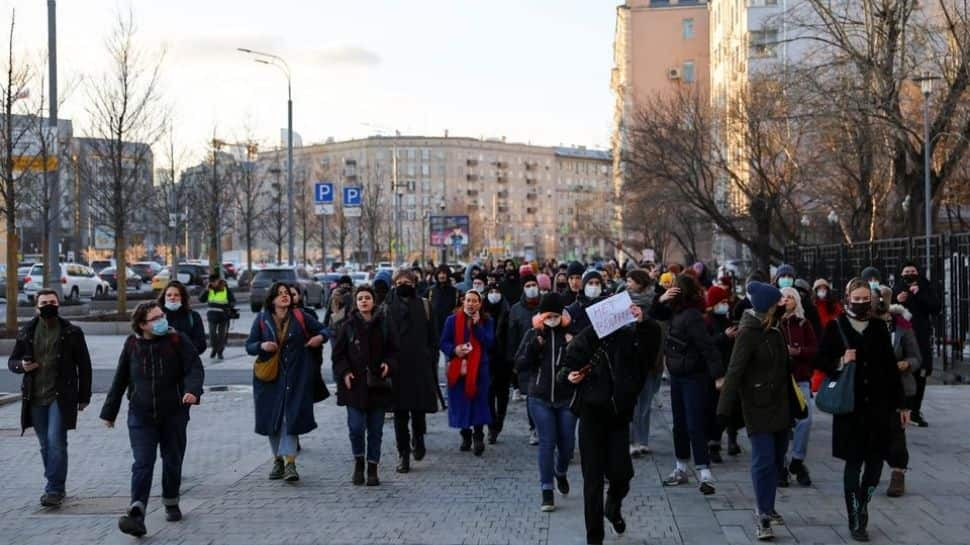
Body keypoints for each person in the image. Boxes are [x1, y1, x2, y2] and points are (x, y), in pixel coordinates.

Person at [815, 278, 908, 542]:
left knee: (875, 467)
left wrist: (902, 405)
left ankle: (864, 502)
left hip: (880, 408)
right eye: (855, 298)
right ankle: (856, 517)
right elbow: (820, 359)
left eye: (865, 298)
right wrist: (840, 360)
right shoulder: (836, 327)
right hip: (850, 409)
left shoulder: (879, 327)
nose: (860, 302)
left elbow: (890, 369)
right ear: (847, 298)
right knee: (853, 463)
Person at [561, 302, 662, 545]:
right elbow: (566, 365)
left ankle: (613, 506)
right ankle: (594, 538)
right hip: (591, 416)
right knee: (592, 482)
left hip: (618, 417)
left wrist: (644, 322)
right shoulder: (587, 337)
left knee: (622, 474)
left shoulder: (629, 338)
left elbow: (649, 353)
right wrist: (568, 376)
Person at [100, 301, 204, 537]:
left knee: (172, 459)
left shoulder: (177, 341)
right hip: (140, 414)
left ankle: (171, 500)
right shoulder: (132, 345)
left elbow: (194, 368)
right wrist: (109, 412)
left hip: (174, 412)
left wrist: (192, 391)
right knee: (143, 462)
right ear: (142, 325)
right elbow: (120, 379)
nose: (161, 321)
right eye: (155, 319)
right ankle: (137, 510)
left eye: (162, 316)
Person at [716, 282, 793, 541]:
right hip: (757, 405)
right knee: (763, 459)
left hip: (781, 405)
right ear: (767, 307)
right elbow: (735, 371)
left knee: (777, 458)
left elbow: (785, 371)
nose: (783, 306)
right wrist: (723, 411)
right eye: (778, 303)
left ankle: (769, 507)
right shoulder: (748, 332)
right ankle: (762, 515)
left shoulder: (775, 330)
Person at [7, 289, 92, 508]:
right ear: (36, 307)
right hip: (34, 395)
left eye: (52, 302)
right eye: (44, 302)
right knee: (45, 444)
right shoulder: (27, 330)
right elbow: (13, 361)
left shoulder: (72, 332)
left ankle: (53, 489)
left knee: (56, 440)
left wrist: (84, 397)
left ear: (58, 304)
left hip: (60, 395)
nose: (48, 305)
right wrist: (22, 366)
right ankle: (56, 484)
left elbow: (84, 366)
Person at [246, 282, 328, 483]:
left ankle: (290, 463)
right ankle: (277, 461)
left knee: (289, 419)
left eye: (286, 294)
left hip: (296, 377)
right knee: (272, 421)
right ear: (272, 299)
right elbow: (250, 346)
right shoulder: (262, 319)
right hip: (269, 379)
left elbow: (325, 330)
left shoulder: (300, 317)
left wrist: (319, 338)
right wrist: (262, 345)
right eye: (279, 294)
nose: (284, 296)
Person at [651, 274, 724, 495]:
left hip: (693, 376)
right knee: (680, 424)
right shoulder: (676, 311)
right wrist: (661, 298)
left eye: (674, 288)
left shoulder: (691, 316)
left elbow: (707, 347)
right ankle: (681, 467)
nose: (670, 290)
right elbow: (654, 313)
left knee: (693, 424)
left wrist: (718, 375)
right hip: (678, 375)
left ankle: (704, 472)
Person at [515, 293, 576, 512]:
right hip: (539, 398)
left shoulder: (570, 334)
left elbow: (583, 362)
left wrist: (573, 346)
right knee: (547, 443)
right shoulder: (533, 334)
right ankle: (547, 490)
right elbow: (519, 364)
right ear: (541, 316)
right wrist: (534, 347)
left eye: (555, 315)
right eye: (547, 315)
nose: (552, 318)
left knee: (568, 444)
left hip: (566, 398)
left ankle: (560, 471)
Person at [333, 286, 398, 485]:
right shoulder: (348, 325)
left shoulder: (384, 324)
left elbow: (394, 350)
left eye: (367, 298)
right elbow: (338, 355)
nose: (363, 301)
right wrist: (344, 372)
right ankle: (359, 461)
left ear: (373, 301)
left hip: (377, 384)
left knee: (376, 430)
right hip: (354, 385)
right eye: (360, 298)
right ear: (355, 302)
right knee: (356, 427)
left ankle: (372, 467)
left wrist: (389, 363)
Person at [382, 269, 438, 473]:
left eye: (407, 281)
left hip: (420, 365)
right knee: (399, 414)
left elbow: (434, 337)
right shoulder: (387, 307)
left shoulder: (424, 305)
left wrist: (430, 359)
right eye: (399, 281)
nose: (403, 284)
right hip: (397, 368)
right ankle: (403, 454)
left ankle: (419, 437)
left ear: (414, 284)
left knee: (418, 410)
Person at [873, 286, 921, 498]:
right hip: (873, 387)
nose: (881, 302)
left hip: (899, 387)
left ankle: (898, 473)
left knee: (896, 431)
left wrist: (905, 364)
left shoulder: (902, 325)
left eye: (884, 298)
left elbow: (916, 357)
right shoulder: (866, 324)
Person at [440, 289, 495, 455]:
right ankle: (465, 434)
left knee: (479, 402)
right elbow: (443, 342)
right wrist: (455, 350)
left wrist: (477, 326)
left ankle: (479, 436)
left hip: (479, 368)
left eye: (474, 301)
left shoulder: (487, 320)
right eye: (468, 300)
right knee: (461, 402)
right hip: (459, 368)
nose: (471, 304)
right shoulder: (452, 320)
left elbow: (489, 342)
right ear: (463, 302)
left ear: (480, 304)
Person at [778, 286, 818, 487]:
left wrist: (798, 351)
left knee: (805, 419)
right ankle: (781, 465)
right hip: (780, 380)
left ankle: (797, 460)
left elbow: (814, 349)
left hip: (801, 379)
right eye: (783, 297)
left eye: (790, 297)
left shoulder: (804, 324)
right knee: (781, 423)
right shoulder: (775, 323)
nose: (786, 301)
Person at [893, 261, 940, 427]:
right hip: (903, 337)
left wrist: (919, 294)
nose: (910, 274)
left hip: (921, 337)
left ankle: (915, 410)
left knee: (921, 372)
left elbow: (936, 307)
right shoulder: (897, 288)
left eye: (913, 271)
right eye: (906, 271)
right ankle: (903, 408)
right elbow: (889, 309)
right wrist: (897, 299)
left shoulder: (925, 287)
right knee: (904, 372)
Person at [626, 269, 663, 456]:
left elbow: (660, 327)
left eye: (631, 281)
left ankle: (643, 440)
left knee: (645, 404)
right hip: (629, 359)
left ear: (640, 283)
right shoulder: (622, 299)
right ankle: (632, 440)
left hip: (650, 359)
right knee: (631, 404)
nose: (628, 284)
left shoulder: (654, 302)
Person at [704, 283, 741, 461]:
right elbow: (706, 345)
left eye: (726, 301)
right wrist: (724, 337)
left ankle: (729, 438)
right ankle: (713, 443)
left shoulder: (726, 320)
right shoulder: (706, 321)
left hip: (728, 368)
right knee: (714, 409)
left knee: (729, 408)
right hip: (712, 372)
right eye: (722, 301)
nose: (725, 305)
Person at [507, 273, 543, 442]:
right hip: (526, 358)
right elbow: (512, 337)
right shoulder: (516, 309)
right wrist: (514, 360)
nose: (531, 289)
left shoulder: (545, 304)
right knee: (530, 395)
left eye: (533, 285)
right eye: (527, 286)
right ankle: (534, 428)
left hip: (544, 356)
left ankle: (544, 427)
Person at [288, 286, 329, 407]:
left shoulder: (307, 314)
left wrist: (319, 338)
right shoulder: (271, 316)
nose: (289, 297)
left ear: (299, 296)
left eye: (293, 294)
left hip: (305, 364)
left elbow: (323, 331)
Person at [483, 282, 512, 443]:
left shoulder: (508, 310)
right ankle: (492, 426)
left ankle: (499, 422)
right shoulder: (482, 311)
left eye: (497, 291)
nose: (494, 294)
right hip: (487, 359)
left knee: (502, 395)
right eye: (491, 291)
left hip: (504, 360)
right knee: (488, 394)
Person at [811, 278, 843, 394]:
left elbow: (840, 318)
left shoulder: (834, 305)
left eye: (824, 288)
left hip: (833, 341)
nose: (822, 290)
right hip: (818, 341)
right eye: (819, 288)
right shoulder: (813, 305)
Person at [158, 281, 206, 355]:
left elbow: (201, 345)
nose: (172, 298)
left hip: (187, 364)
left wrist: (179, 340)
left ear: (182, 297)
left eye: (176, 295)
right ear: (164, 297)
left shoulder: (193, 316)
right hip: (164, 363)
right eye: (169, 295)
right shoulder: (157, 317)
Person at [200, 274, 236, 360]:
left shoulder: (225, 289)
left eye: (215, 281)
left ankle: (220, 352)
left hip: (223, 316)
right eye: (212, 282)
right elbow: (201, 299)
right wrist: (206, 290)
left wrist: (228, 307)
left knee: (222, 336)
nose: (213, 283)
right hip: (212, 316)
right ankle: (214, 349)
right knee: (212, 334)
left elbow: (233, 301)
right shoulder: (209, 289)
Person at [565, 270, 608, 334]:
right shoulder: (574, 309)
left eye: (597, 283)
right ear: (584, 286)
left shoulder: (608, 304)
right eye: (590, 283)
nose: (594, 286)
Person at [428, 265, 461, 337]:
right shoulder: (430, 290)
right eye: (439, 273)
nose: (442, 276)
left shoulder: (455, 292)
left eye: (444, 273)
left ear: (448, 275)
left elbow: (459, 308)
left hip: (450, 327)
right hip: (434, 327)